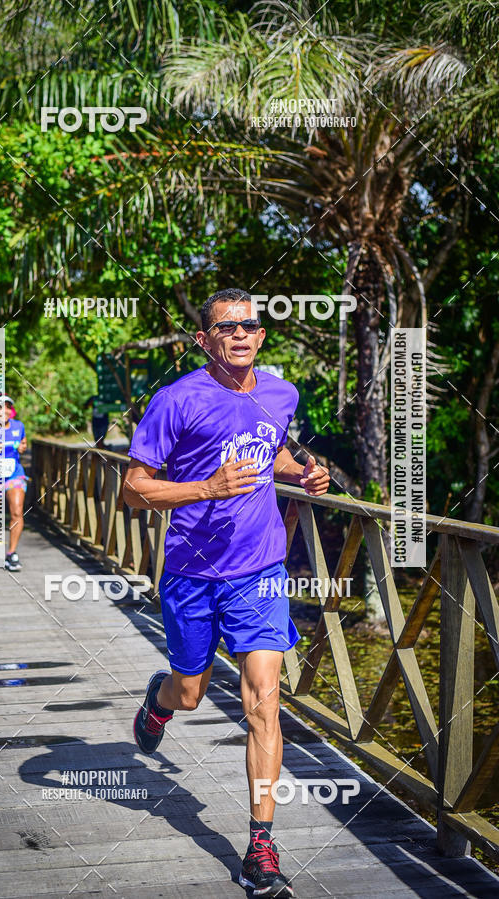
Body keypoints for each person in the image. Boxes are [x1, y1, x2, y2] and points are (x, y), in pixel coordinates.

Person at [123, 288, 330, 898]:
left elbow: (274, 456)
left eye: (250, 325)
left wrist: (308, 469)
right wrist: (206, 487)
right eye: (226, 327)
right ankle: (158, 704)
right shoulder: (176, 400)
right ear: (204, 338)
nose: (240, 334)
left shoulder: (280, 394)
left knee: (264, 700)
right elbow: (135, 489)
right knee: (189, 692)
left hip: (261, 570)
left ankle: (260, 846)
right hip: (191, 573)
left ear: (261, 336)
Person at [0, 395, 28, 572]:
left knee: (17, 510)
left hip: (14, 474)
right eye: (0, 407)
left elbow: (23, 443)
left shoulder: (18, 426)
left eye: (7, 407)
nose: (4, 411)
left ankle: (11, 553)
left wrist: (22, 447)